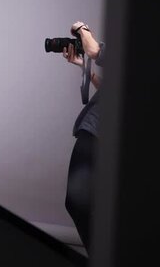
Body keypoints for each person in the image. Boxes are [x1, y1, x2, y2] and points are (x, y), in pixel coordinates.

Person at [62, 20, 104, 252]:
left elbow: (94, 50)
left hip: (97, 135)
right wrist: (82, 65)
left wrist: (80, 28)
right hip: (96, 134)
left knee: (78, 203)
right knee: (84, 204)